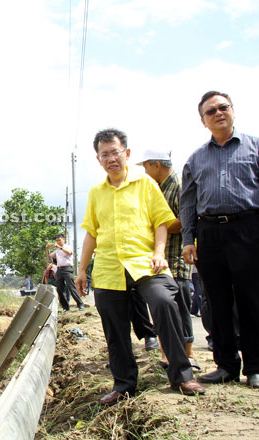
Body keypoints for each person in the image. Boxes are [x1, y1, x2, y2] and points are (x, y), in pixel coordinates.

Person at [75, 128, 204, 405]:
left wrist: (159, 253)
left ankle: (181, 375)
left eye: (116, 152)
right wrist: (82, 269)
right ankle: (124, 385)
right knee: (114, 326)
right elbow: (91, 233)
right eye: (105, 154)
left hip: (145, 262)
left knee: (164, 303)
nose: (111, 158)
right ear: (98, 159)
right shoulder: (97, 193)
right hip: (109, 267)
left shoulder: (146, 184)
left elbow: (161, 221)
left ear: (127, 154)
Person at [181, 91, 259, 390]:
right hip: (210, 233)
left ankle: (256, 368)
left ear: (232, 111)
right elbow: (188, 203)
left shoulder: (257, 147)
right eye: (210, 111)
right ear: (203, 121)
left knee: (251, 300)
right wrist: (189, 238)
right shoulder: (195, 158)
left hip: (248, 229)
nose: (218, 113)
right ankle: (226, 365)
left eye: (223, 107)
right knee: (217, 302)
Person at [138, 148, 198, 369]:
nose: (144, 171)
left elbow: (184, 220)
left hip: (176, 255)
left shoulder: (179, 186)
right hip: (161, 258)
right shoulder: (157, 187)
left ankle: (188, 355)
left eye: (145, 166)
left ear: (156, 165)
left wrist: (157, 225)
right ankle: (167, 357)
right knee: (163, 308)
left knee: (180, 306)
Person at [47, 234, 85, 312]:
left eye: (59, 240)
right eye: (57, 240)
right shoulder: (57, 251)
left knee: (71, 287)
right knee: (60, 289)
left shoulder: (67, 247)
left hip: (67, 269)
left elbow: (69, 252)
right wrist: (47, 249)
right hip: (59, 270)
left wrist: (60, 247)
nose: (58, 242)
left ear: (64, 240)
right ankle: (65, 307)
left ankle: (80, 304)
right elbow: (50, 257)